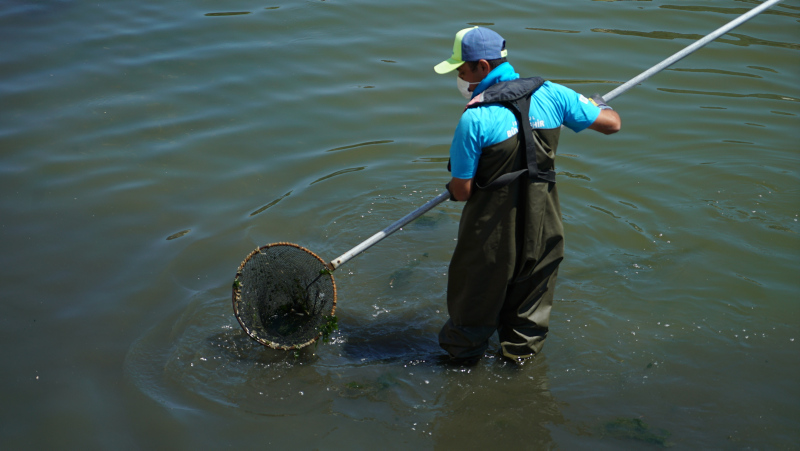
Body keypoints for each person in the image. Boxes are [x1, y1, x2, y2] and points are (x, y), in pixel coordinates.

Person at [434, 26, 621, 364]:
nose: (460, 77)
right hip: (544, 223)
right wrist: (596, 104)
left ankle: (460, 371)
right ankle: (518, 367)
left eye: (461, 69)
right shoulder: (553, 94)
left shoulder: (475, 117)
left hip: (491, 231)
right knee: (529, 311)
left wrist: (451, 186)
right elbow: (612, 124)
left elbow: (462, 192)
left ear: (482, 67)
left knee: (473, 306)